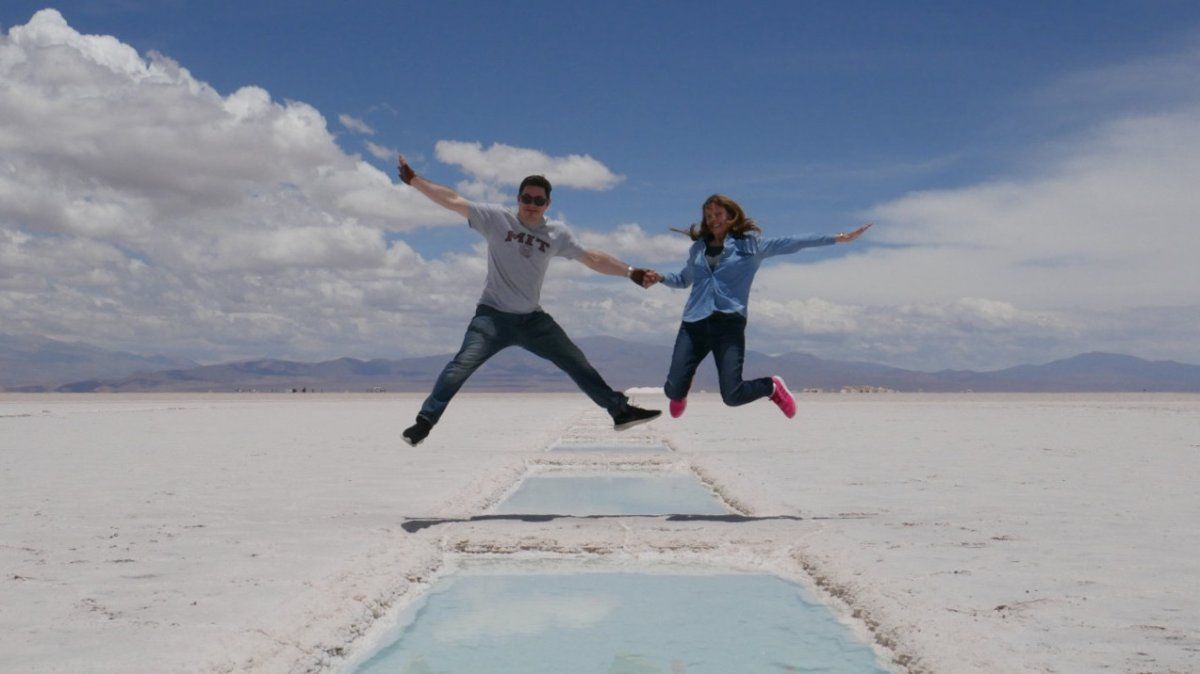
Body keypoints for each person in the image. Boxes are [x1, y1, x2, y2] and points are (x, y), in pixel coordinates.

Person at [396, 155, 661, 446]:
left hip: (533, 320)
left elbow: (591, 258)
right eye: (527, 198)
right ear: (518, 198)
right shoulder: (496, 218)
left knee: (577, 363)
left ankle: (620, 411)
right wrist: (414, 180)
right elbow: (453, 200)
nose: (531, 205)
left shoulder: (556, 233)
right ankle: (424, 422)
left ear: (547, 205)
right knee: (459, 367)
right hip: (492, 318)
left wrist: (630, 272)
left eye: (538, 201)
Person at [641, 194, 870, 419]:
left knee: (732, 396)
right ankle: (682, 388)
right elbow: (683, 279)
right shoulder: (698, 249)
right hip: (694, 324)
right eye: (708, 216)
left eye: (718, 214)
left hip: (729, 325)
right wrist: (661, 277)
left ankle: (771, 386)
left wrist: (838, 238)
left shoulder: (750, 246)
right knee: (672, 391)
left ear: (731, 216)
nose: (713, 220)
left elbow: (794, 242)